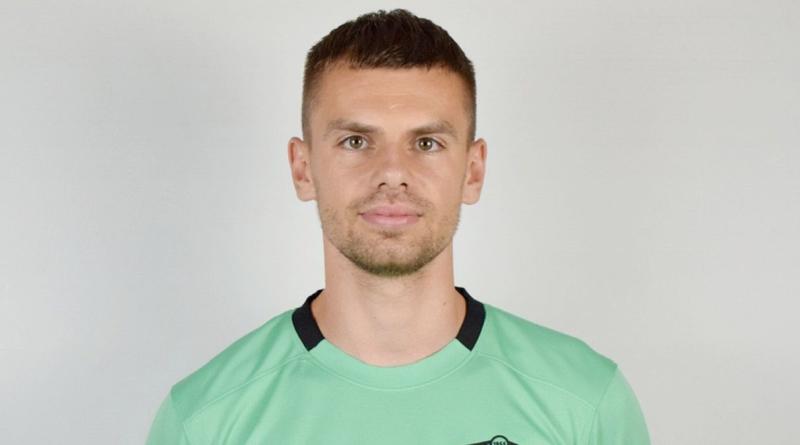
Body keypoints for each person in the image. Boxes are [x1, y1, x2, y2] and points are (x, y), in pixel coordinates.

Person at [146, 9, 650, 444]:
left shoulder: (585, 402)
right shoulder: (204, 421)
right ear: (303, 168)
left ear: (473, 171)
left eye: (426, 143)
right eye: (356, 142)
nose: (392, 172)